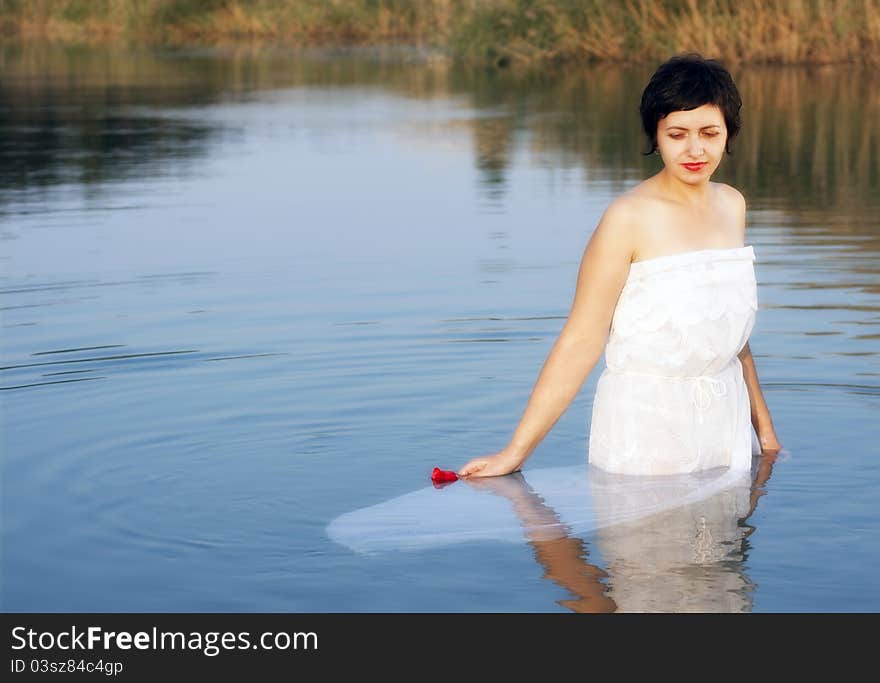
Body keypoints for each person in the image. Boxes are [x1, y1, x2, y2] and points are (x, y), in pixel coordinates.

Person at [458, 53, 782, 479]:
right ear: (656, 135)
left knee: (722, 544)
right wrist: (515, 452)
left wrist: (765, 431)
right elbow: (582, 338)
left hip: (724, 422)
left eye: (709, 132)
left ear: (728, 134)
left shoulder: (732, 205)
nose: (695, 149)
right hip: (648, 428)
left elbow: (729, 333)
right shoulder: (627, 218)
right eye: (677, 134)